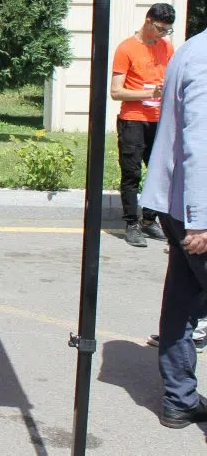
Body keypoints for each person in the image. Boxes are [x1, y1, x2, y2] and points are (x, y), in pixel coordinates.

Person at [141, 28, 207, 431]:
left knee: (182, 303)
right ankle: (179, 398)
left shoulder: (191, 48)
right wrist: (201, 218)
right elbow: (200, 141)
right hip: (194, 208)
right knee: (182, 303)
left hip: (178, 203)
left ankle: (179, 400)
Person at [110, 3, 176, 248]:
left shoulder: (166, 47)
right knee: (132, 173)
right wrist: (149, 92)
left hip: (160, 120)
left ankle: (149, 219)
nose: (163, 34)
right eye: (160, 29)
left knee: (159, 171)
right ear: (148, 21)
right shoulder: (126, 48)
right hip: (133, 119)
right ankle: (132, 224)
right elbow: (116, 92)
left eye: (167, 30)